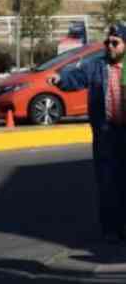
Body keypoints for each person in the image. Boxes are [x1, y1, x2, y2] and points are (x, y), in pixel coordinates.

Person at [49, 23, 126, 243]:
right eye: (107, 42)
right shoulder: (97, 66)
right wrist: (61, 80)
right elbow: (76, 78)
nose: (109, 46)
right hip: (106, 134)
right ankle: (111, 229)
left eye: (115, 43)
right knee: (107, 182)